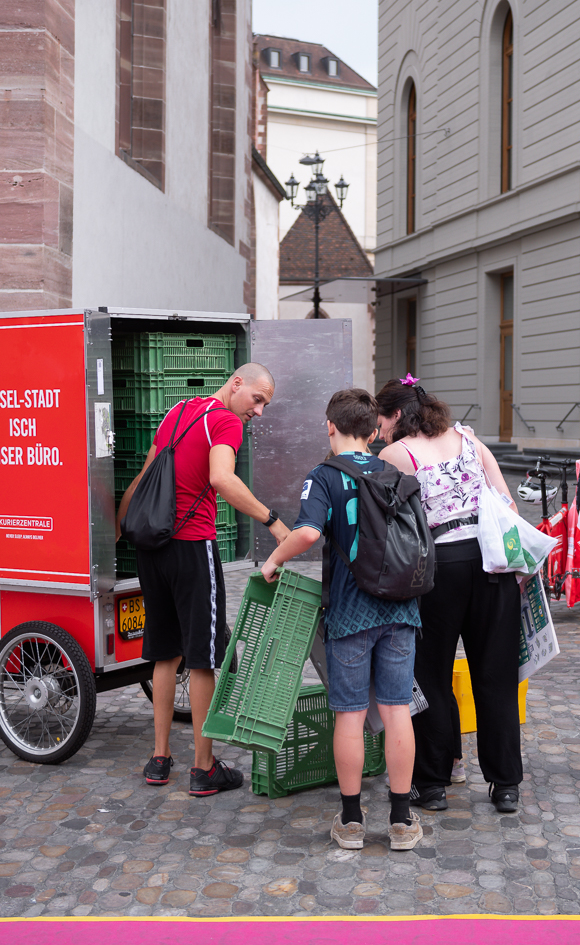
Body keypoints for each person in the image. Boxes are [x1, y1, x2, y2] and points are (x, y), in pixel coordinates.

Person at [260, 389, 424, 852]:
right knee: (396, 711)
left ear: (329, 426)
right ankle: (401, 820)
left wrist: (273, 560)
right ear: (374, 432)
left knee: (350, 716)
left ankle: (351, 822)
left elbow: (309, 533)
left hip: (351, 612)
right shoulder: (396, 472)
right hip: (400, 607)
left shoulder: (323, 476)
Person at [117, 362, 290, 796]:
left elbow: (147, 473)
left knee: (162, 654)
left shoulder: (178, 410)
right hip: (192, 548)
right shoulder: (226, 421)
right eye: (258, 398)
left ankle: (159, 759)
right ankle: (203, 766)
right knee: (201, 657)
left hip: (151, 546)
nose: (260, 411)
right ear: (236, 384)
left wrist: (124, 523)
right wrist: (272, 521)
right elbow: (221, 478)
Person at [373, 376, 520, 813]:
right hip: (492, 561)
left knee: (429, 673)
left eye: (381, 420)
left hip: (436, 566)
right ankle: (506, 783)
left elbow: (387, 520)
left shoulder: (395, 453)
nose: (378, 430)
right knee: (496, 676)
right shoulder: (470, 441)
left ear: (397, 415)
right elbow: (506, 503)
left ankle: (432, 782)